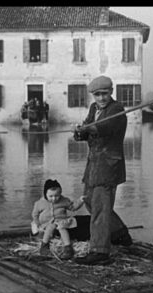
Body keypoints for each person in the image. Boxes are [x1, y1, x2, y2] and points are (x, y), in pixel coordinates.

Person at [72, 75, 133, 265]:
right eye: (97, 95)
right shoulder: (94, 109)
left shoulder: (117, 109)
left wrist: (87, 128)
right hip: (93, 164)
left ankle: (100, 251)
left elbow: (103, 128)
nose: (101, 98)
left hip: (108, 165)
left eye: (104, 94)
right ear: (93, 96)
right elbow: (88, 129)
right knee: (90, 200)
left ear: (111, 92)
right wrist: (79, 132)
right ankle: (119, 233)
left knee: (99, 207)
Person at [31, 179, 85, 260]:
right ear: (45, 194)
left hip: (61, 221)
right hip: (46, 223)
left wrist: (80, 201)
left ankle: (68, 247)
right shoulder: (40, 203)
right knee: (51, 227)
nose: (54, 198)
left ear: (60, 193)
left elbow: (73, 207)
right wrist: (38, 224)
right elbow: (35, 215)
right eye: (51, 196)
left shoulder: (64, 200)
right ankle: (44, 245)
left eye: (57, 196)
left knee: (61, 227)